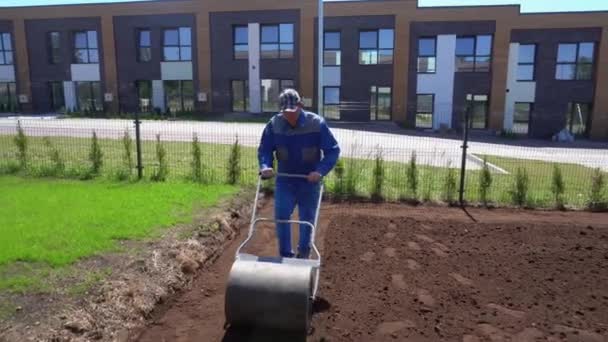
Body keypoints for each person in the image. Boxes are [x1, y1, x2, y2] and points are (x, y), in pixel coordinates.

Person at [258, 88, 340, 259]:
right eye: (286, 112)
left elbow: (332, 150)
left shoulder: (316, 124)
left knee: (307, 219)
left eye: (293, 111)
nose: (290, 116)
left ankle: (304, 253)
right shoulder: (274, 125)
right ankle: (286, 255)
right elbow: (265, 149)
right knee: (281, 216)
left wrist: (320, 171)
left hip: (309, 181)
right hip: (285, 180)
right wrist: (265, 166)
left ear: (300, 106)